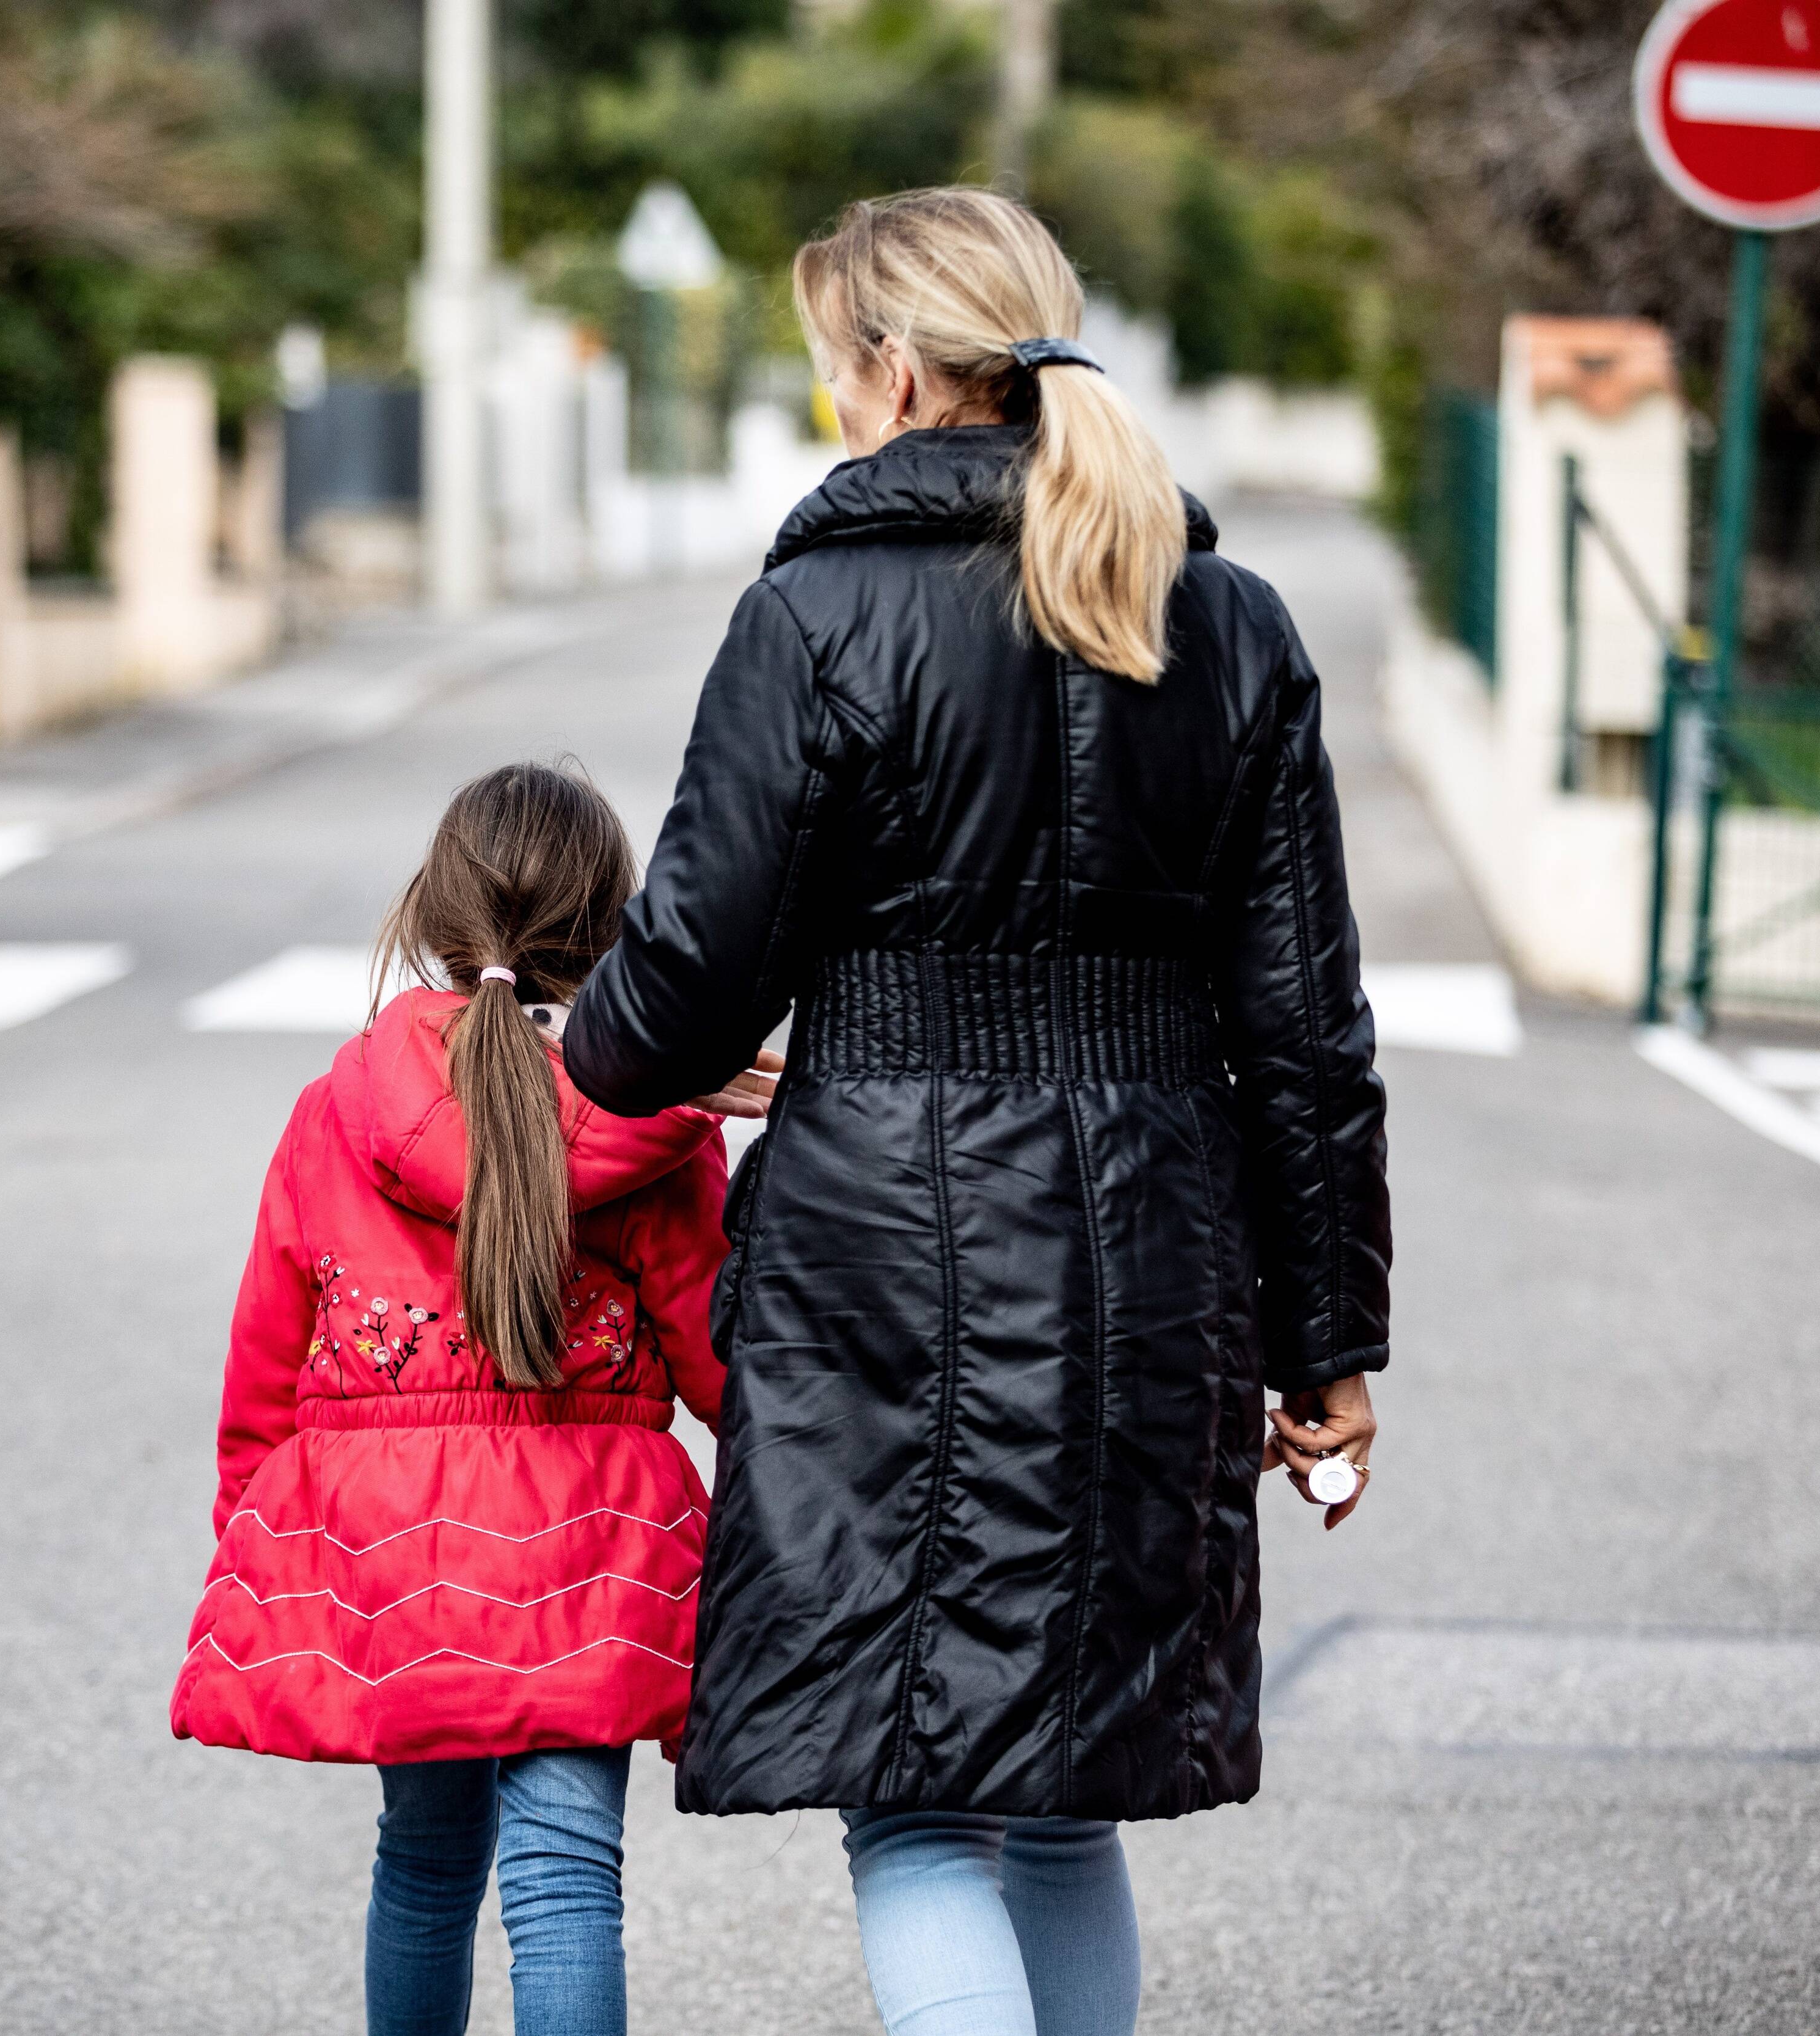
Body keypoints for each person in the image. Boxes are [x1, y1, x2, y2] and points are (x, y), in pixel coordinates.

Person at [561, 188, 1391, 2036]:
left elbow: (687, 970)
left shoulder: (820, 612)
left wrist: (604, 1050)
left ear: (899, 368)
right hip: (1164, 1258)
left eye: (832, 370)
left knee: (922, 1787)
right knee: (1062, 1783)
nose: (830, 406)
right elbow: (1310, 1028)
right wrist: (1333, 1332)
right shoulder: (1229, 621)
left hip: (885, 1264)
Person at [172, 764, 732, 2036]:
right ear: (612, 928)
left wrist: (249, 1550)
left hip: (386, 1549)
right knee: (565, 1881)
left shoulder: (338, 1110)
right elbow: (718, 1353)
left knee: (423, 1864)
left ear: (432, 913)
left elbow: (266, 1351)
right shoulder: (652, 1128)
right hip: (590, 1546)